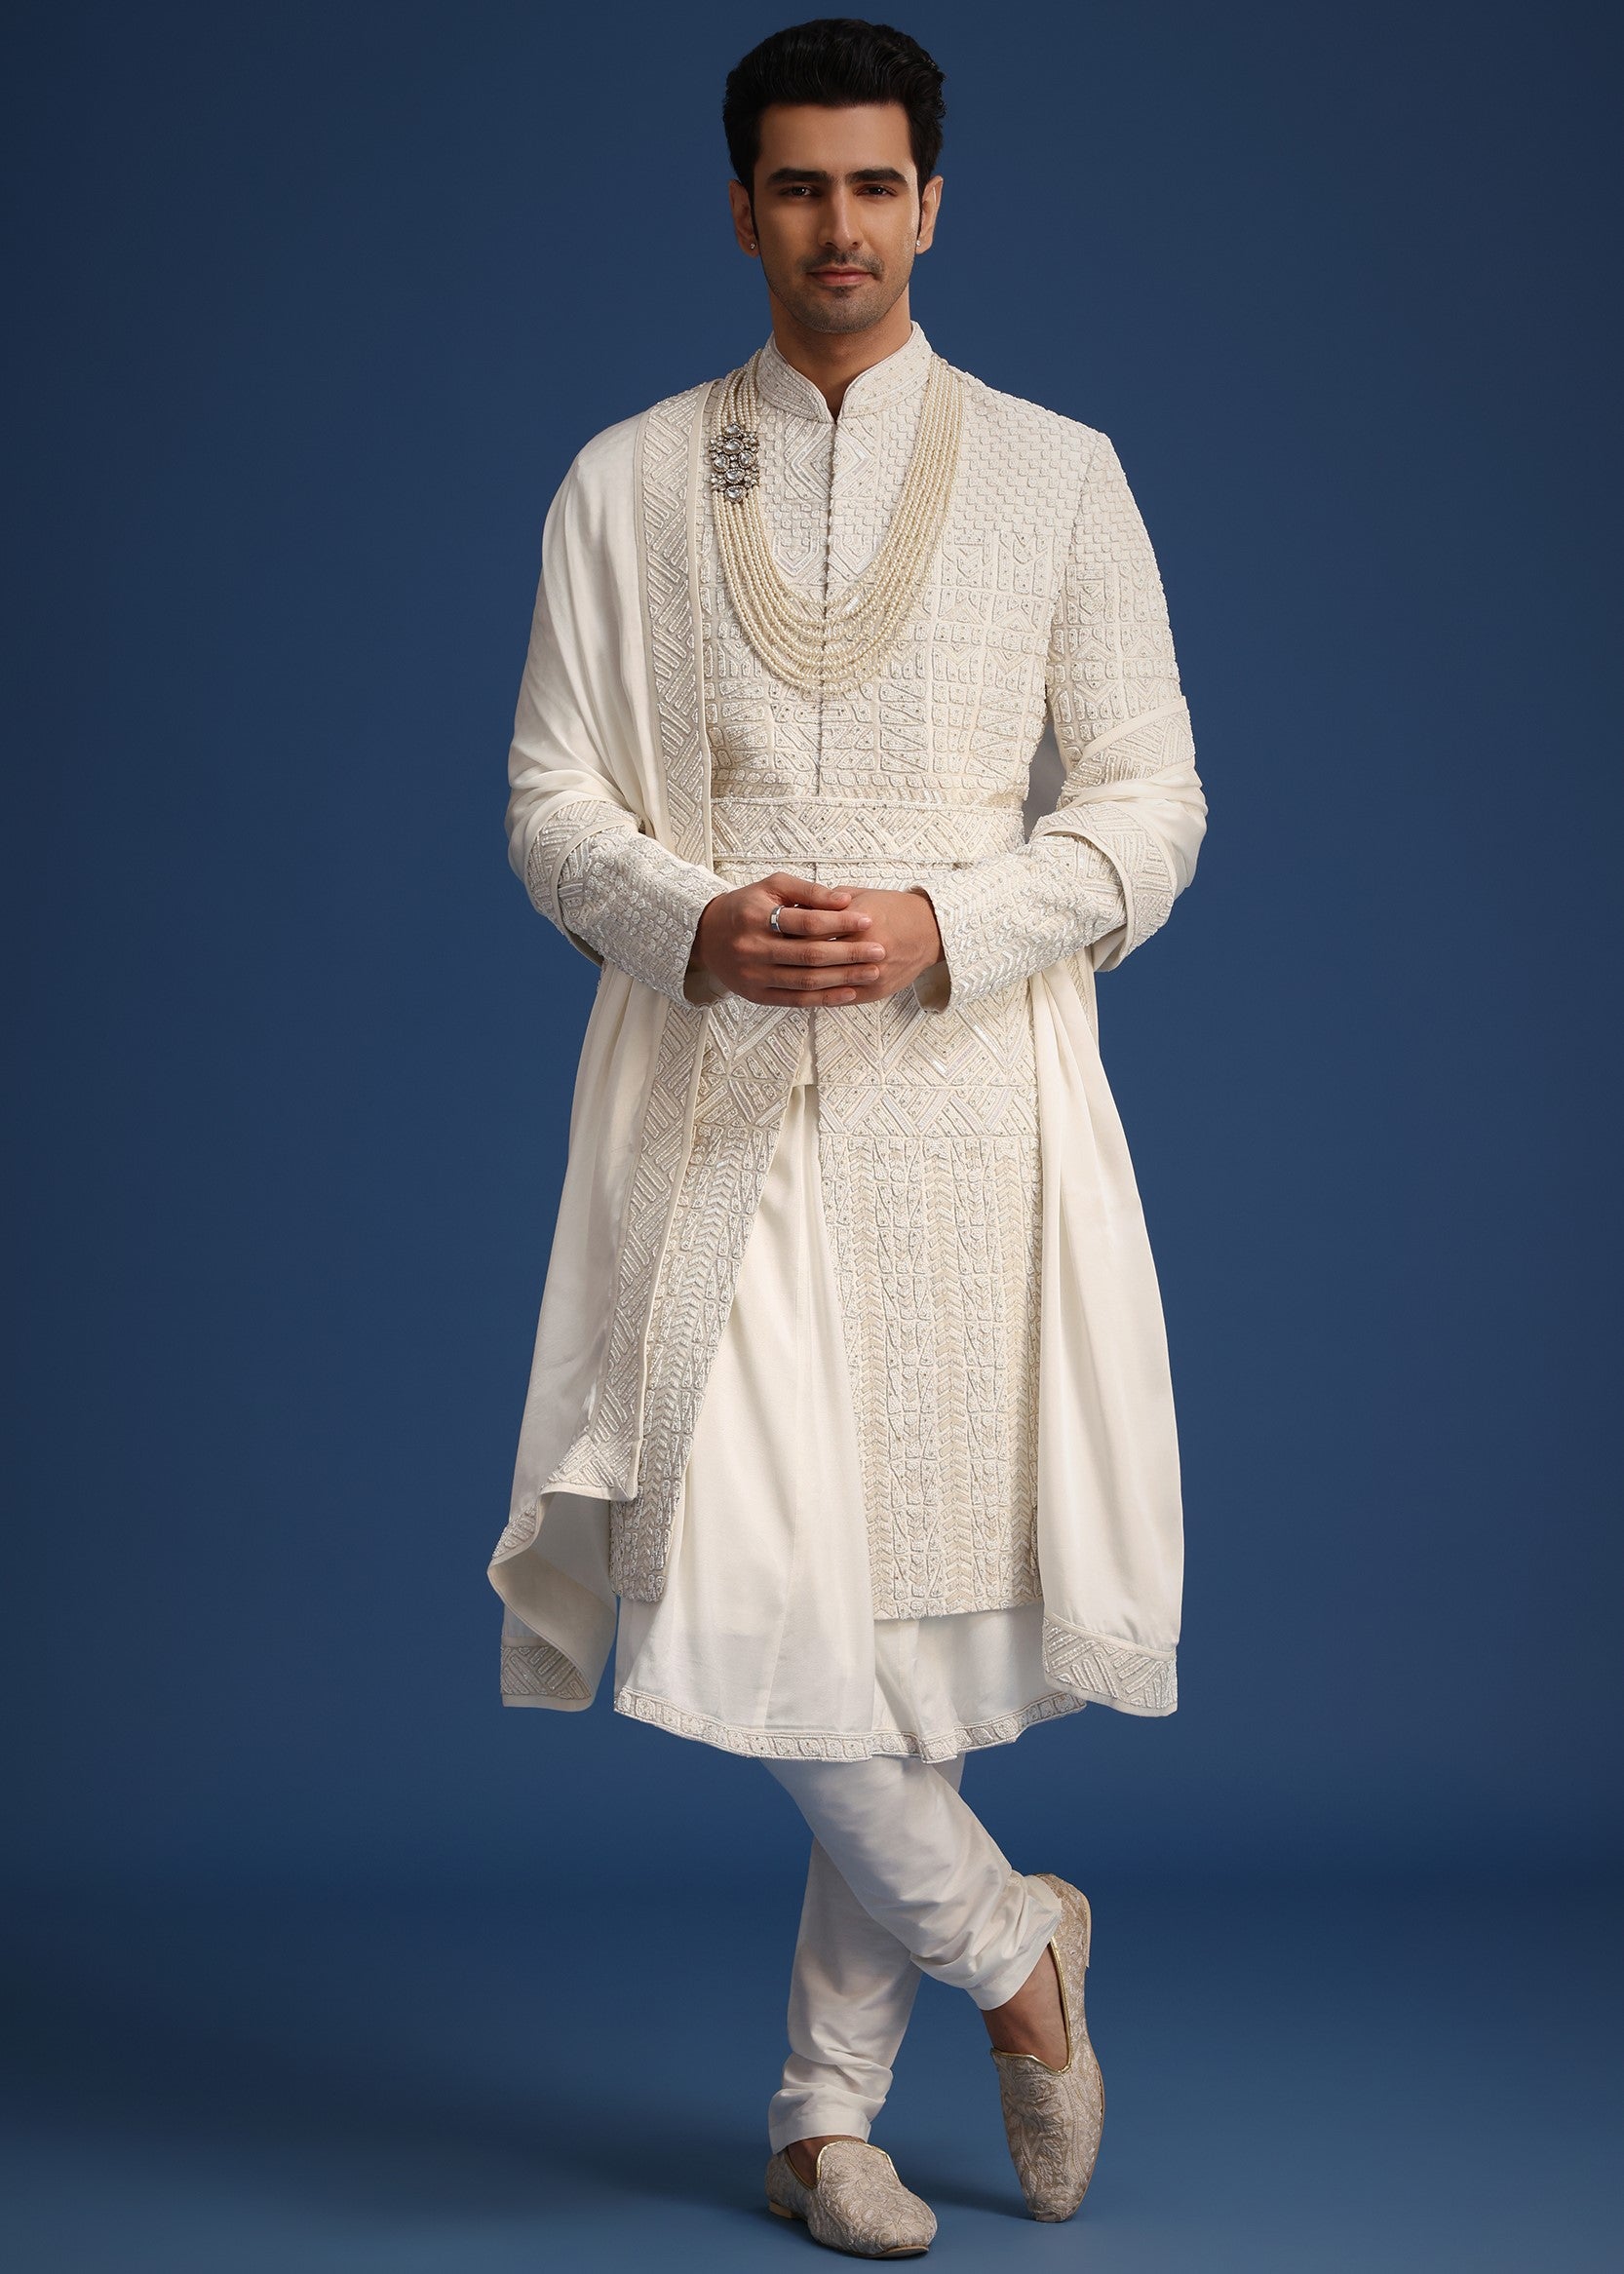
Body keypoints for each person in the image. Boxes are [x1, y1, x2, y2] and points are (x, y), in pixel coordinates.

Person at [487, 18, 1206, 2255]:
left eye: (872, 184)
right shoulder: (622, 484)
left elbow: (1151, 804)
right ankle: (1016, 1955)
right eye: (795, 186)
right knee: (740, 1576)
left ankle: (821, 2121)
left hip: (964, 1108)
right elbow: (547, 800)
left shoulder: (1056, 477)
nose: (836, 225)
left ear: (930, 203)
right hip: (708, 1108)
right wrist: (689, 919)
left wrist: (946, 921)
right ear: (739, 209)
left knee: (891, 1619)